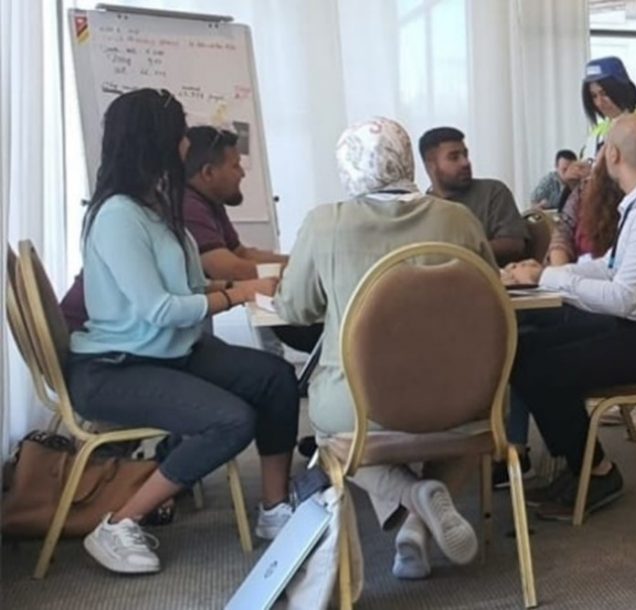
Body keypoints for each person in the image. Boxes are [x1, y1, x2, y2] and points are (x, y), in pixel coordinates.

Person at [64, 89, 299, 574]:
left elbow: (188, 286)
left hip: (168, 350)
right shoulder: (118, 216)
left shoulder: (157, 208)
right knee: (231, 420)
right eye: (179, 134)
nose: (187, 144)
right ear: (158, 142)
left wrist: (244, 284)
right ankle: (117, 524)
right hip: (115, 366)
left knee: (275, 378)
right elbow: (160, 309)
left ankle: (275, 511)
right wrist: (239, 294)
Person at [277, 117, 495, 580]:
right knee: (473, 419)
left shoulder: (325, 223)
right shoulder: (458, 219)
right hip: (457, 397)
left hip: (357, 404)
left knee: (332, 438)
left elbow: (295, 308)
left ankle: (416, 499)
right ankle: (415, 529)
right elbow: (489, 296)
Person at [503, 114, 636, 521]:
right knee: (524, 342)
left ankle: (597, 471)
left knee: (536, 364)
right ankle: (581, 462)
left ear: (612, 155)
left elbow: (621, 296)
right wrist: (546, 275)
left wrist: (547, 277)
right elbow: (610, 266)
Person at [60, 125, 322, 354]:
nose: (242, 174)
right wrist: (289, 274)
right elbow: (227, 268)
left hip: (148, 336)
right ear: (207, 172)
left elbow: (241, 253)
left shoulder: (206, 202)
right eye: (235, 166)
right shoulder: (181, 205)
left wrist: (302, 260)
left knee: (270, 374)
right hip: (111, 338)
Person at [419, 127, 528, 265]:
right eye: (454, 157)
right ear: (431, 166)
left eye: (465, 155)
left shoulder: (493, 192)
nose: (465, 162)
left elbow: (514, 245)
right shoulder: (422, 208)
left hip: (488, 280)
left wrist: (457, 254)